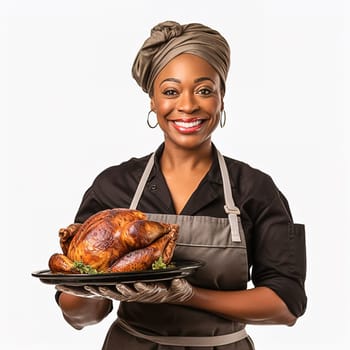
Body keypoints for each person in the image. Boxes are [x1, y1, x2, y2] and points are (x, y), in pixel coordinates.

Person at [55, 20, 307, 349]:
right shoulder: (114, 187)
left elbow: (286, 306)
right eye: (170, 91)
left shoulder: (255, 189)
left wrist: (188, 295)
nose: (187, 105)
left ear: (221, 97)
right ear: (153, 101)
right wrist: (91, 285)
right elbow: (80, 317)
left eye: (204, 90)